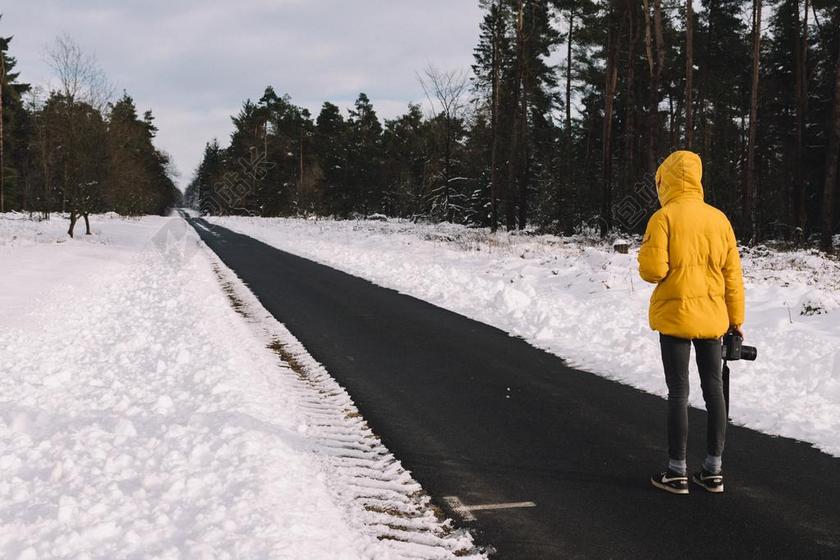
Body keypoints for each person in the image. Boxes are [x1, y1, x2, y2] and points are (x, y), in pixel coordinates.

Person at [638, 150, 745, 495]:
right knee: (714, 392)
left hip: (675, 318)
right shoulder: (719, 220)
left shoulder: (663, 218)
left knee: (679, 392)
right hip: (714, 320)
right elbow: (733, 278)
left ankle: (676, 471)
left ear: (665, 180)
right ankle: (713, 470)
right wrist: (737, 321)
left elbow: (652, 271)